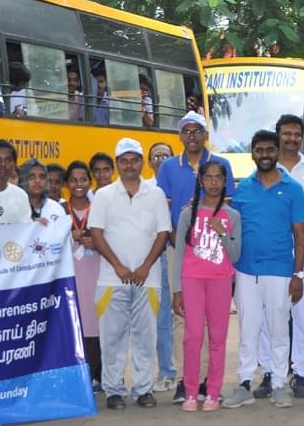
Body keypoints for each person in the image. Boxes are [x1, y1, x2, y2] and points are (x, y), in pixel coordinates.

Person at [226, 129, 304, 409]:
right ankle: (245, 382)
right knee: (248, 328)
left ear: (277, 152)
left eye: (269, 150)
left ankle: (280, 385)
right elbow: (234, 230)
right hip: (246, 270)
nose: (264, 155)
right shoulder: (243, 189)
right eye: (259, 150)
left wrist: (298, 275)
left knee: (278, 329)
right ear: (252, 153)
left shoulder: (293, 188)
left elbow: (300, 235)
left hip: (281, 271)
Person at [156, 112, 235, 398]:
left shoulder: (220, 164)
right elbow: (164, 211)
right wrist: (183, 236)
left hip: (215, 252)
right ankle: (184, 380)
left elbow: (225, 209)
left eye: (197, 130)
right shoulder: (167, 167)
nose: (192, 135)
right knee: (184, 318)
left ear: (205, 135)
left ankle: (207, 383)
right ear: (180, 136)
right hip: (180, 247)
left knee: (213, 322)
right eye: (187, 131)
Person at [88, 138, 171, 409]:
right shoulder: (103, 195)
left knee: (146, 337)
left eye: (134, 160)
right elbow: (96, 234)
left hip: (149, 279)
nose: (129, 165)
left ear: (141, 163)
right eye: (124, 161)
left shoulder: (156, 194)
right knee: (111, 338)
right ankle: (113, 390)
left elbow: (163, 233)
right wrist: (118, 266)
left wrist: (146, 265)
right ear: (117, 165)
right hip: (112, 279)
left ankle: (143, 389)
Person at [259, 114, 304, 398]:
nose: (291, 139)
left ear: (303, 138)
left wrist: (302, 231)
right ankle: (269, 372)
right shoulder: (264, 170)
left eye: (297, 134)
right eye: (286, 134)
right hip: (271, 254)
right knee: (268, 314)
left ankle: (301, 372)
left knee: (302, 313)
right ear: (277, 136)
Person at [170, 162, 242, 412]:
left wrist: (222, 233)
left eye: (218, 178)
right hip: (193, 279)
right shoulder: (187, 213)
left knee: (218, 338)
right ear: (200, 181)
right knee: (193, 336)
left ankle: (213, 391)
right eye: (208, 178)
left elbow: (235, 255)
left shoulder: (232, 215)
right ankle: (191, 391)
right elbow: (179, 252)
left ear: (225, 182)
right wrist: (176, 289)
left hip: (220, 280)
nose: (213, 183)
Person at [147, 141, 183, 397]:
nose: (160, 160)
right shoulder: (144, 189)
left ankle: (182, 372)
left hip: (173, 252)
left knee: (177, 313)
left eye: (165, 156)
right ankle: (166, 371)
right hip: (150, 257)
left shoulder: (177, 182)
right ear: (149, 162)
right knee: (159, 318)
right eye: (155, 156)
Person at [64, 160, 103, 389]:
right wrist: (70, 235)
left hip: (96, 270)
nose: (79, 185)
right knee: (76, 322)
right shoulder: (59, 209)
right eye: (73, 180)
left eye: (83, 180)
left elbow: (113, 235)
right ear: (67, 183)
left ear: (90, 181)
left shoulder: (100, 207)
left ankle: (99, 374)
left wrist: (96, 242)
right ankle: (79, 375)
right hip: (72, 273)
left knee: (96, 323)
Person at [18, 158, 67, 222]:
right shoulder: (14, 207)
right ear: (23, 179)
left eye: (42, 177)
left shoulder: (56, 208)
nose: (38, 181)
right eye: (32, 177)